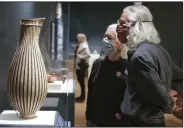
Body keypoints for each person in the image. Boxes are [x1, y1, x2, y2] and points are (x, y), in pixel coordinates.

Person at [116, 5, 183, 126]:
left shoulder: (139, 57)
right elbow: (180, 78)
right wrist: (170, 94)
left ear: (137, 26)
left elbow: (159, 95)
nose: (118, 28)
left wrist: (170, 103)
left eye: (122, 23)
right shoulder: (159, 50)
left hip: (142, 123)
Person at [86, 24, 128, 127]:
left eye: (110, 37)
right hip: (96, 121)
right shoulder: (97, 63)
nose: (105, 40)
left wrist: (122, 114)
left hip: (116, 123)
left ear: (120, 43)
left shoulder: (128, 66)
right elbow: (91, 93)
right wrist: (89, 117)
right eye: (105, 36)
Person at [74, 33, 90, 102]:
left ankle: (83, 96)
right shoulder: (80, 45)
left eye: (78, 38)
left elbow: (88, 55)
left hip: (81, 66)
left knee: (81, 81)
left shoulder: (84, 46)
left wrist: (81, 57)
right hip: (78, 65)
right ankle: (82, 95)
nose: (77, 39)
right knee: (80, 81)